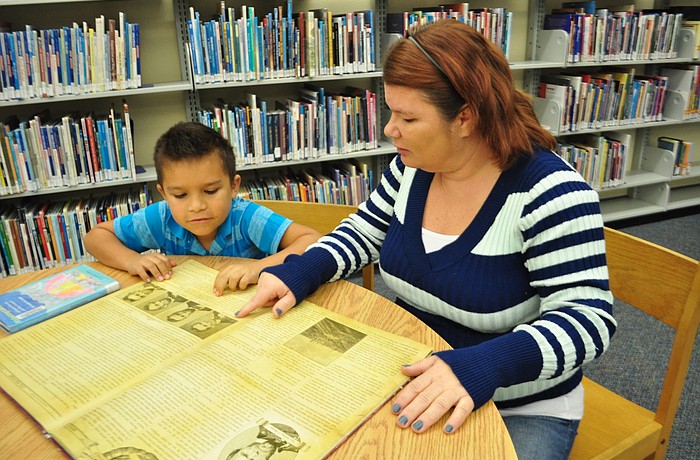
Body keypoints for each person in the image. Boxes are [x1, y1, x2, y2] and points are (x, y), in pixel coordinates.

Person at [236, 19, 616, 460]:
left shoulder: (551, 193)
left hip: (520, 404)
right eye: (391, 112)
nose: (389, 130)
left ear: (465, 117)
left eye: (408, 117)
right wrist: (300, 270)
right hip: (413, 374)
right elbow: (364, 233)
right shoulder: (412, 168)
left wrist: (485, 365)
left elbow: (588, 320)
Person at [84, 122, 321, 295]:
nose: (196, 206)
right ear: (164, 193)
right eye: (180, 195)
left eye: (210, 191)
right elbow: (96, 237)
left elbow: (312, 239)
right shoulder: (160, 217)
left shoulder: (247, 218)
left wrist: (257, 268)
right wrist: (131, 260)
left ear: (233, 186)